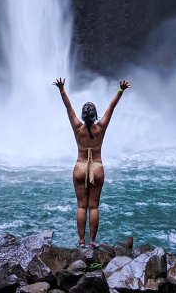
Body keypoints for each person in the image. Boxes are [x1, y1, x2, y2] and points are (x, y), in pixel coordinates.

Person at [53, 77, 131, 247]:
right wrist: (120, 90)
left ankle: (81, 241)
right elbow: (111, 107)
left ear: (83, 115)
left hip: (80, 166)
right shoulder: (101, 128)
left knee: (81, 206)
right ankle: (93, 242)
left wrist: (61, 89)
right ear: (95, 115)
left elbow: (68, 108)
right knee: (94, 207)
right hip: (96, 166)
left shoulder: (77, 128)